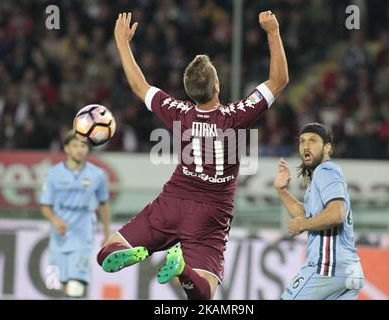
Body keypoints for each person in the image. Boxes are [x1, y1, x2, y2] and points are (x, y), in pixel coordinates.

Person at [97, 11, 288, 300]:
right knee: (202, 296)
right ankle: (183, 270)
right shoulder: (235, 116)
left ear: (189, 91)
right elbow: (279, 80)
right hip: (212, 212)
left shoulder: (178, 111)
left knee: (107, 251)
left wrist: (122, 42)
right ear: (216, 87)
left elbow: (139, 86)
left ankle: (137, 252)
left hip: (172, 201)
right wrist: (272, 31)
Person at [274, 123, 364, 300]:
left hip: (327, 268)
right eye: (302, 142)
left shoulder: (326, 171)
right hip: (350, 272)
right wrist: (281, 191)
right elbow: (307, 216)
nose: (306, 146)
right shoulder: (318, 177)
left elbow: (337, 213)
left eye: (313, 141)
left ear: (327, 147)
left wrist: (303, 225)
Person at [40, 130, 111, 298]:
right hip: (59, 235)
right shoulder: (53, 173)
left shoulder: (97, 175)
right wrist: (54, 220)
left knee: (76, 286)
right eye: (75, 145)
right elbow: (45, 205)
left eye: (83, 146)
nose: (80, 149)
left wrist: (107, 233)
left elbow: (104, 204)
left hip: (83, 231)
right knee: (59, 284)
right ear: (66, 148)